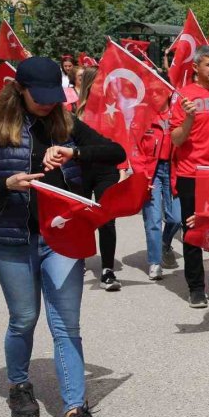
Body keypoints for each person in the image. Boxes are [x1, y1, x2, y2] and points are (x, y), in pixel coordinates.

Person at [0, 56, 123, 417]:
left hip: (61, 238)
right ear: (19, 89)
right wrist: (6, 185)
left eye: (55, 96)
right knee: (24, 318)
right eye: (40, 97)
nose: (49, 104)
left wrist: (75, 154)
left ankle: (74, 413)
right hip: (10, 238)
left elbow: (114, 153)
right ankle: (18, 384)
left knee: (66, 324)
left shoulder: (67, 123)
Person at [170, 45, 209, 308]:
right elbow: (176, 139)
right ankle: (196, 286)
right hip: (191, 174)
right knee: (193, 231)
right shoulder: (184, 96)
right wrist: (188, 118)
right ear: (195, 67)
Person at [75, 68, 123, 291]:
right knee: (82, 217)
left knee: (107, 219)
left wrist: (123, 169)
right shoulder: (77, 109)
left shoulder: (114, 108)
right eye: (98, 81)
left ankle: (107, 270)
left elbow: (123, 138)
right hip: (81, 169)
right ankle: (78, 259)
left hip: (107, 170)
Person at [137, 84, 182, 280]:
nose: (154, 95)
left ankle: (165, 243)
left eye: (159, 91)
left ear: (168, 93)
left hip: (173, 171)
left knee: (177, 218)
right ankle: (155, 262)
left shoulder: (177, 116)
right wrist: (142, 175)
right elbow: (135, 149)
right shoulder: (142, 117)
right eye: (151, 91)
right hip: (151, 172)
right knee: (153, 219)